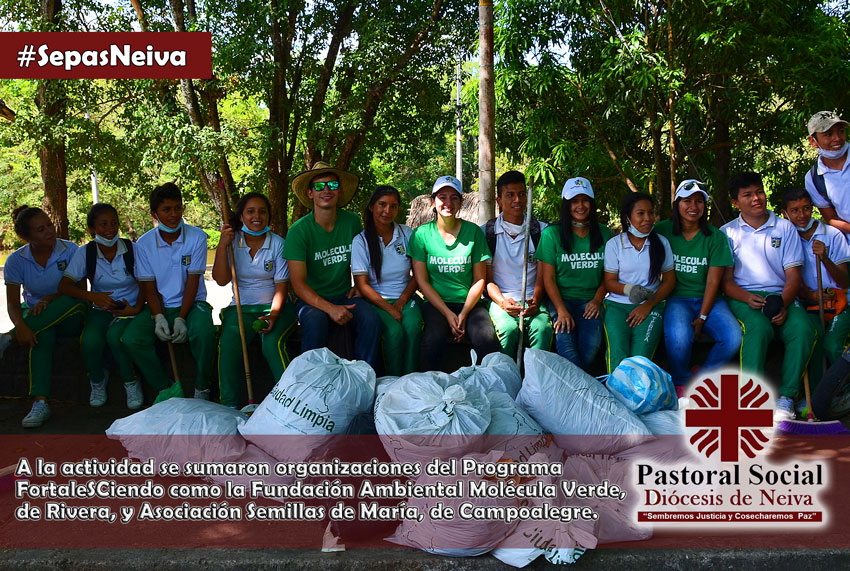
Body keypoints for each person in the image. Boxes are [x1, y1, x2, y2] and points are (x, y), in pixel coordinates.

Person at [721, 172, 816, 423]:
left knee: (803, 329)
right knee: (758, 329)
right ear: (735, 202)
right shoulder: (727, 233)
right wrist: (746, 297)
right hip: (745, 297)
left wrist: (782, 303)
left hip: (781, 295)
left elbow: (794, 277)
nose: (756, 199)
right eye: (748, 195)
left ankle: (787, 399)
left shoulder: (784, 227)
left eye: (759, 192)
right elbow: (726, 283)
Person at [121, 182, 216, 399]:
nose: (174, 214)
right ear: (154, 213)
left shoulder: (197, 237)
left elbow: (193, 281)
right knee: (132, 338)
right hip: (160, 304)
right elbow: (149, 285)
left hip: (192, 304)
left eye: (178, 208)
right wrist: (158, 317)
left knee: (205, 333)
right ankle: (164, 387)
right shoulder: (143, 244)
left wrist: (181, 318)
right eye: (166, 209)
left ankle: (202, 386)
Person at [283, 161, 381, 367]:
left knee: (370, 318)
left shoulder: (352, 222)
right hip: (311, 299)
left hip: (344, 294)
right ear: (310, 193)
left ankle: (362, 376)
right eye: (319, 186)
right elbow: (298, 284)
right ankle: (309, 378)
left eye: (332, 186)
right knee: (316, 321)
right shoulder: (299, 231)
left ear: (339, 191)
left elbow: (362, 260)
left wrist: (359, 286)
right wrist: (330, 309)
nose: (326, 190)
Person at [1, 206, 86, 427]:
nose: (49, 231)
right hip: (37, 315)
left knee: (64, 304)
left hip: (72, 310)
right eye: (41, 229)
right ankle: (40, 403)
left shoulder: (70, 250)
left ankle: (7, 339)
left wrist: (49, 298)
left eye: (49, 224)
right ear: (26, 237)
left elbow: (79, 289)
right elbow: (12, 301)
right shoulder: (16, 260)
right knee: (41, 335)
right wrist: (20, 325)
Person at [655, 180, 741, 395]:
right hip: (676, 298)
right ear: (677, 204)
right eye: (687, 201)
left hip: (710, 298)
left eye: (699, 201)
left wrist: (702, 317)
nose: (693, 206)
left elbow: (714, 281)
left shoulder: (715, 237)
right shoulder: (662, 230)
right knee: (678, 339)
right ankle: (681, 381)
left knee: (732, 338)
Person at [212, 192, 297, 407]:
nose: (256, 216)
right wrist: (222, 245)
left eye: (262, 211)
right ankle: (229, 404)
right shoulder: (232, 241)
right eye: (250, 211)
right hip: (240, 309)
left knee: (271, 344)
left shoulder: (278, 243)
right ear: (241, 216)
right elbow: (221, 280)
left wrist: (274, 315)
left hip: (275, 308)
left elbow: (281, 287)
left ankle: (291, 401)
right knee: (229, 344)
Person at [57, 203, 145, 410]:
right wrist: (92, 296)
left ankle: (130, 381)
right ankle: (97, 380)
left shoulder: (132, 249)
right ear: (92, 229)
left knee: (116, 339)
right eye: (103, 224)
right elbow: (64, 286)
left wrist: (137, 307)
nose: (110, 229)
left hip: (129, 309)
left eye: (114, 223)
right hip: (100, 310)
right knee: (89, 341)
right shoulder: (85, 253)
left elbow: (146, 283)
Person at [409, 175, 501, 371]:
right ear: (433, 201)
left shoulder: (474, 232)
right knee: (432, 339)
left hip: (469, 302)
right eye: (442, 197)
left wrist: (464, 313)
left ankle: (492, 389)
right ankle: (429, 389)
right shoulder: (421, 235)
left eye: (454, 198)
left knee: (486, 339)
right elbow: (422, 281)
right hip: (436, 303)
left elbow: (479, 279)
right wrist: (448, 314)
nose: (448, 203)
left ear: (461, 202)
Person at [537, 177, 611, 372]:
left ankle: (577, 392)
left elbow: (609, 275)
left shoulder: (604, 233)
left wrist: (597, 300)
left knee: (591, 346)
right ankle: (585, 393)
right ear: (566, 204)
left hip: (591, 300)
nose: (580, 206)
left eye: (585, 200)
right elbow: (548, 279)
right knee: (566, 345)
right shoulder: (551, 234)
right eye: (574, 201)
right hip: (560, 299)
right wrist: (561, 310)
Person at [351, 185, 422, 375]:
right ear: (372, 207)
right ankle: (392, 383)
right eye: (382, 205)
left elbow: (418, 276)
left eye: (393, 206)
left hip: (406, 298)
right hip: (376, 301)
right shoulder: (361, 241)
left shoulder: (407, 234)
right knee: (394, 333)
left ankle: (411, 379)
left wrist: (401, 301)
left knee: (413, 327)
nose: (387, 211)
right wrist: (390, 308)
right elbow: (362, 285)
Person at [482, 170, 552, 359]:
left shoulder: (542, 231)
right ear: (499, 200)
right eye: (510, 195)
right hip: (501, 300)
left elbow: (542, 276)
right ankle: (506, 380)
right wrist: (503, 302)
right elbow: (487, 280)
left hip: (532, 299)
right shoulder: (487, 233)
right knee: (508, 330)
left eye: (522, 194)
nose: (517, 200)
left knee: (542, 328)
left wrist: (536, 300)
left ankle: (536, 382)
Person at [603, 192, 675, 373]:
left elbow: (669, 280)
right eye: (640, 213)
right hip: (617, 305)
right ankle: (614, 397)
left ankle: (638, 398)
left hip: (651, 305)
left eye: (650, 213)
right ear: (628, 218)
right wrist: (630, 289)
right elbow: (609, 282)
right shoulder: (615, 244)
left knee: (640, 358)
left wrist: (648, 305)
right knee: (617, 354)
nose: (647, 219)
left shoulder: (661, 243)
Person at [781, 186, 850, 370]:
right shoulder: (786, 239)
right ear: (785, 213)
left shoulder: (832, 234)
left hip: (841, 303)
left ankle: (843, 390)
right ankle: (815, 394)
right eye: (794, 210)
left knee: (832, 346)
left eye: (806, 208)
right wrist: (809, 295)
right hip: (809, 304)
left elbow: (845, 282)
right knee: (812, 340)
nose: (802, 215)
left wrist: (825, 258)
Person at [804, 111, 850, 236]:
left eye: (840, 131)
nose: (837, 138)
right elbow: (831, 218)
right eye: (828, 134)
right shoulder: (814, 178)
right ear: (813, 141)